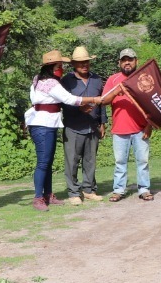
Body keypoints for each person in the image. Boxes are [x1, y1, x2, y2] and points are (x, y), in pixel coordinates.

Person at [26, 50, 103, 211]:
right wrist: (93, 99)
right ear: (51, 67)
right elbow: (69, 99)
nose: (61, 69)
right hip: (43, 123)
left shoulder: (39, 80)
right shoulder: (50, 83)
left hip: (49, 122)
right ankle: (38, 197)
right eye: (59, 66)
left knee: (47, 162)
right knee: (43, 163)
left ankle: (48, 194)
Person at [105, 48, 153, 202]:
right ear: (119, 62)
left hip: (140, 129)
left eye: (130, 59)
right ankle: (119, 190)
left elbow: (152, 104)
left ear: (136, 61)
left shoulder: (144, 78)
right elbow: (103, 100)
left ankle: (144, 189)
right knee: (120, 162)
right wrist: (115, 92)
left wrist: (149, 125)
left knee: (143, 161)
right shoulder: (113, 79)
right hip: (119, 129)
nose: (127, 62)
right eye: (124, 59)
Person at [60, 45, 107, 205]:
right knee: (72, 161)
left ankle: (89, 190)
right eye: (80, 63)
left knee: (90, 160)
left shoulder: (96, 79)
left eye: (86, 62)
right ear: (73, 64)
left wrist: (102, 122)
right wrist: (78, 107)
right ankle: (73, 192)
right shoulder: (66, 80)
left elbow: (102, 102)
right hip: (73, 126)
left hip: (92, 125)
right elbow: (62, 102)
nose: (84, 65)